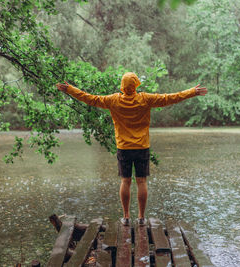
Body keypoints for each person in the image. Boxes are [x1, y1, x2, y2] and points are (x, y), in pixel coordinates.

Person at [56, 72, 207, 226]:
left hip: (124, 148)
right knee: (141, 181)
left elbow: (89, 98)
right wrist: (191, 92)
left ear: (122, 86)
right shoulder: (145, 99)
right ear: (135, 85)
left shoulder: (113, 100)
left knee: (125, 181)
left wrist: (70, 89)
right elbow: (170, 98)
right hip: (142, 147)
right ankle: (141, 218)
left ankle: (126, 217)